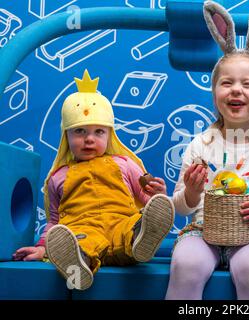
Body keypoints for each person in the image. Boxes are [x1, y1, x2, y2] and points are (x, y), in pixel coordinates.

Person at [165, 0, 249, 300]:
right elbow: (180, 206)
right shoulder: (201, 143)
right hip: (201, 230)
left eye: (248, 84)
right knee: (186, 263)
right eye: (226, 83)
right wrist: (192, 194)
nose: (236, 90)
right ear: (215, 93)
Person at [12, 70, 175, 290]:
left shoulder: (124, 164)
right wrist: (43, 249)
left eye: (99, 132)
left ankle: (141, 240)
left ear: (109, 135)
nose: (89, 139)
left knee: (132, 227)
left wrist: (157, 196)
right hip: (84, 230)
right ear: (66, 136)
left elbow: (147, 199)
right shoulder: (57, 177)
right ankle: (78, 267)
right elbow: (54, 221)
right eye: (80, 131)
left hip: (120, 223)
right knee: (79, 242)